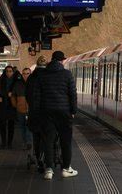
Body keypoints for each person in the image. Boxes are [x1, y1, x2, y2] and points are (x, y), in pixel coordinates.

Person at [34, 51, 78, 180]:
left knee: (48, 141)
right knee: (65, 141)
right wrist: (73, 111)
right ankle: (66, 168)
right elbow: (72, 95)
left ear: (52, 60)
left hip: (46, 113)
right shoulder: (67, 74)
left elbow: (37, 97)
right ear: (61, 61)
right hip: (64, 113)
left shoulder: (41, 76)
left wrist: (37, 113)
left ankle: (49, 170)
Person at [26, 56, 47, 173]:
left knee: (37, 137)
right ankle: (45, 159)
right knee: (47, 137)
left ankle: (39, 158)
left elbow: (28, 95)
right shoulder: (49, 77)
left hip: (34, 113)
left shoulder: (31, 78)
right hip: (47, 113)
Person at [0, 66, 16, 149]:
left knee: (11, 125)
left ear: (13, 72)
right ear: (5, 72)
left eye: (10, 71)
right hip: (2, 104)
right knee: (2, 124)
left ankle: (9, 143)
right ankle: (3, 142)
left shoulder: (15, 81)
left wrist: (13, 93)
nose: (8, 73)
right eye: (7, 71)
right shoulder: (1, 80)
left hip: (11, 105)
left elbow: (18, 90)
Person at [11, 68, 32, 150]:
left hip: (30, 110)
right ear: (22, 74)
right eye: (24, 73)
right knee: (22, 126)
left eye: (27, 73)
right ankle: (25, 141)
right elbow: (13, 96)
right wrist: (15, 105)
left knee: (28, 126)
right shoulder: (18, 84)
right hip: (20, 109)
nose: (26, 75)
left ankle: (28, 142)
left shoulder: (33, 83)